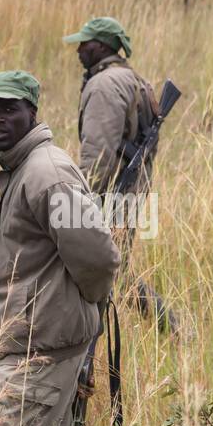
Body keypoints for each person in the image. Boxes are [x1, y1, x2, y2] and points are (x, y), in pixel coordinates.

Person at [0, 70, 121, 426]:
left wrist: (80, 310)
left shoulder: (46, 174)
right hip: (41, 348)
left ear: (32, 112)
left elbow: (98, 256)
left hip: (40, 355)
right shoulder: (29, 169)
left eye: (9, 109)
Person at [63, 16, 178, 332]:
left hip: (109, 194)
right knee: (115, 273)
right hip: (130, 191)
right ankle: (176, 330)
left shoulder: (104, 84)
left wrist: (79, 201)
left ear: (100, 46)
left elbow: (99, 155)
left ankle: (175, 329)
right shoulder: (135, 80)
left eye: (84, 44)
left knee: (97, 273)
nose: (79, 51)